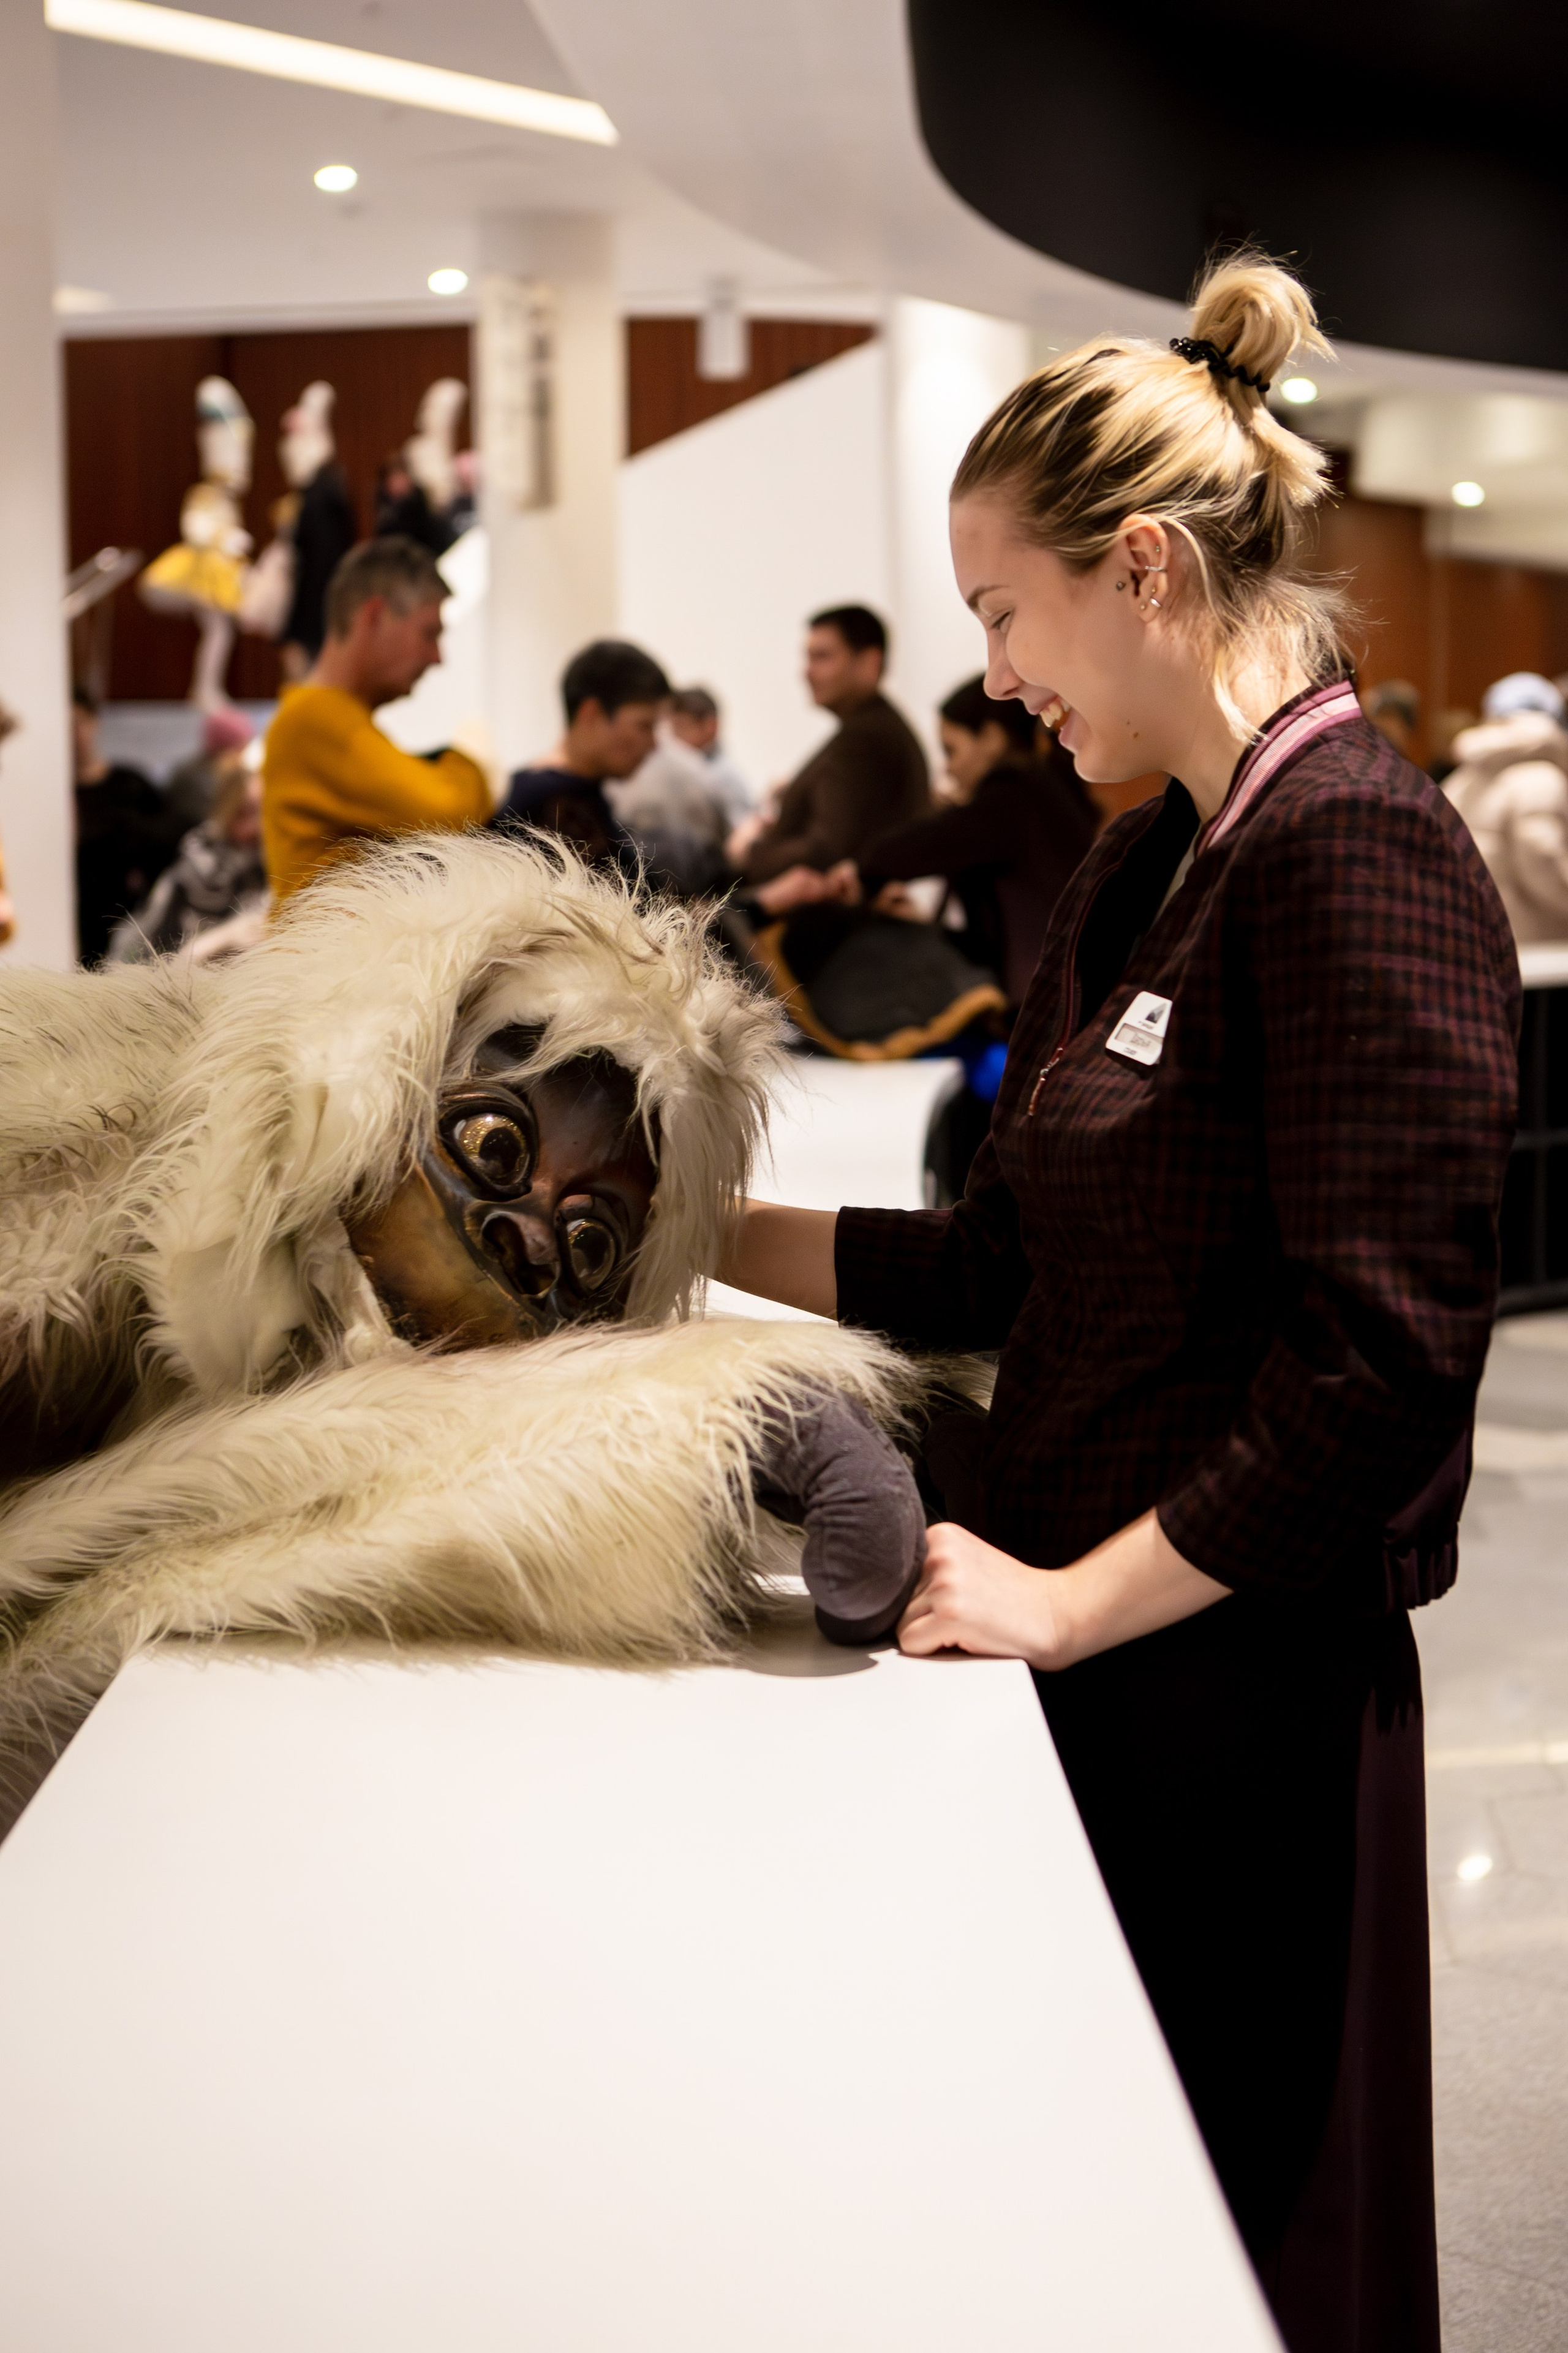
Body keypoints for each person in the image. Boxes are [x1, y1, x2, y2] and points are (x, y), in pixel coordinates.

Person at [717, 255, 1520, 2353]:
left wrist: (1074, 1603)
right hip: (1089, 1674)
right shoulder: (1152, 857)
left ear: (1142, 567)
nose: (991, 680)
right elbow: (1002, 1264)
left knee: (1232, 2247)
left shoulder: (1357, 852)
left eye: (998, 612)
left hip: (1229, 1708)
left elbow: (1381, 1371)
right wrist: (691, 1236)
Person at [829, 674, 1096, 1006]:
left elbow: (918, 847)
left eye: (951, 751)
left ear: (992, 739)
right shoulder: (1043, 790)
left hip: (1041, 1002)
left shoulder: (1010, 796)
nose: (948, 770)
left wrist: (859, 873)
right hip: (1063, 989)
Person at [262, 536, 494, 906]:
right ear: (374, 616)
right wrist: (469, 761)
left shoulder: (324, 715)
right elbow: (450, 812)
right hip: (324, 955)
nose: (438, 658)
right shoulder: (316, 718)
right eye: (429, 633)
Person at [729, 607, 929, 886]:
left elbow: (825, 850)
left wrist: (748, 852)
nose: (807, 672)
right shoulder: (874, 727)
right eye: (808, 658)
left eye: (822, 657)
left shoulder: (865, 737)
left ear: (870, 663)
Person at [492, 638, 670, 875]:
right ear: (592, 714)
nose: (654, 745)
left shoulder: (574, 794)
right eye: (644, 726)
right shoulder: (549, 806)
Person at [1442, 671, 1568, 941]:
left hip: (1474, 943)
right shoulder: (1541, 779)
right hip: (1537, 951)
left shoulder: (1461, 781)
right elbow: (1543, 861)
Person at [106, 758, 266, 964]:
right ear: (226, 812)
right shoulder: (200, 859)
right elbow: (157, 930)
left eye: (262, 812)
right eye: (244, 814)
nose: (256, 827)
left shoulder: (270, 862)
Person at [72, 686, 182, 965]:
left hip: (134, 919)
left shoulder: (130, 784)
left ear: (94, 721)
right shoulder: (57, 800)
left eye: (78, 724)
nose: (73, 736)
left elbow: (171, 840)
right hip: (80, 923)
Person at [610, 686, 756, 895]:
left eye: (680, 728)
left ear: (710, 726)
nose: (673, 739)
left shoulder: (723, 777)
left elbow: (735, 842)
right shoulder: (682, 771)